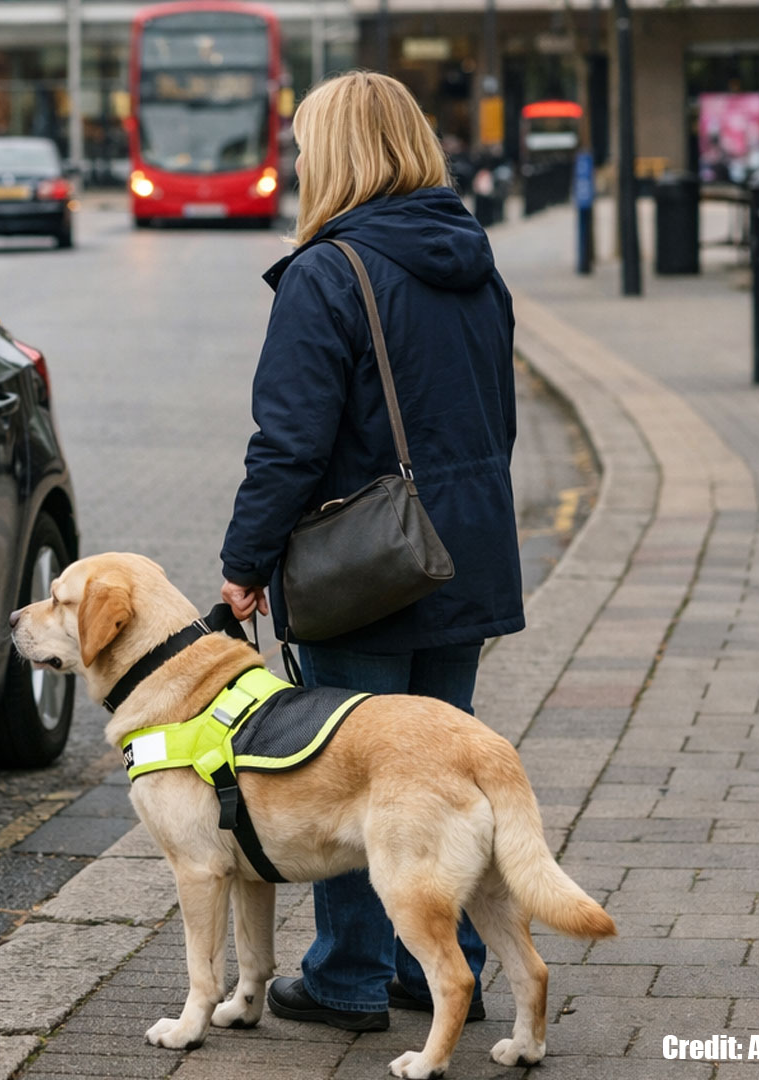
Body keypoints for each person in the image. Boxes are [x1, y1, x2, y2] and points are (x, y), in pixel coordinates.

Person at [218, 71, 523, 1034]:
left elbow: (290, 445)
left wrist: (242, 564)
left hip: (367, 569)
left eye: (307, 145)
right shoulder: (476, 263)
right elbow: (498, 419)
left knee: (347, 771)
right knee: (439, 772)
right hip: (464, 551)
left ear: (340, 154)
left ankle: (348, 975)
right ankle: (442, 969)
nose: (299, 163)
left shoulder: (326, 273)